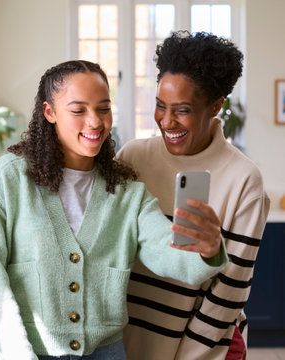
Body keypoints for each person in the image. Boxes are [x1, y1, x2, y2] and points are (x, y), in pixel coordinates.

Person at [0, 59, 227, 359]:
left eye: (103, 108)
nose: (95, 121)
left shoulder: (127, 192)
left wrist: (206, 250)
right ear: (49, 112)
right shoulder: (10, 178)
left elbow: (167, 252)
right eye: (78, 110)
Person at [117, 31, 270, 360]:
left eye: (182, 110)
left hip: (201, 351)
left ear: (215, 106)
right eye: (160, 105)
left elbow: (230, 291)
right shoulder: (132, 158)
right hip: (127, 345)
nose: (167, 121)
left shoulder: (243, 179)